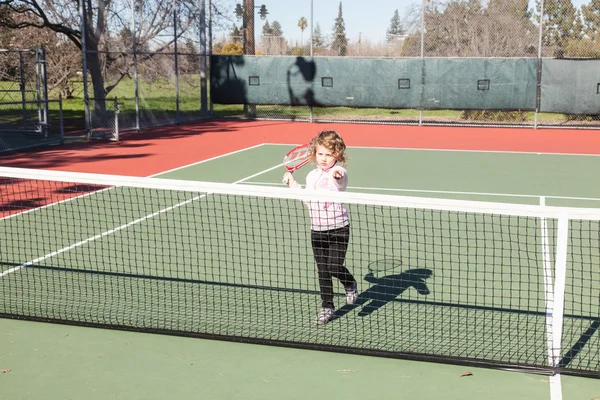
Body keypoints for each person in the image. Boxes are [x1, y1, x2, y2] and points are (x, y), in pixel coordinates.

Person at [283, 130, 358, 325]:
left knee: (334, 266)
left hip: (339, 228)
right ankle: (327, 306)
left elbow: (340, 181)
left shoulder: (339, 172)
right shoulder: (311, 176)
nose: (324, 159)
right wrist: (293, 184)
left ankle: (349, 283)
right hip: (317, 229)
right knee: (322, 271)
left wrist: (338, 175)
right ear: (314, 154)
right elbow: (308, 200)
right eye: (320, 154)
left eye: (329, 154)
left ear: (337, 155)